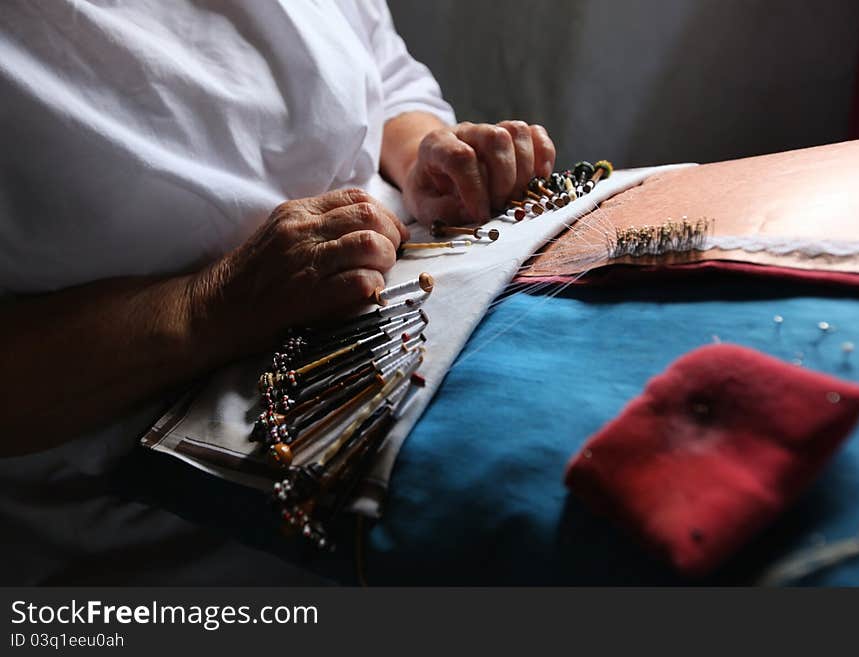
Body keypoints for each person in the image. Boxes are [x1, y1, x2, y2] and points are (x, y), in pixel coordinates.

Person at [0, 0, 556, 459]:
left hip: (435, 310)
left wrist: (422, 157)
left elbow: (385, 75)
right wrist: (210, 305)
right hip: (187, 522)